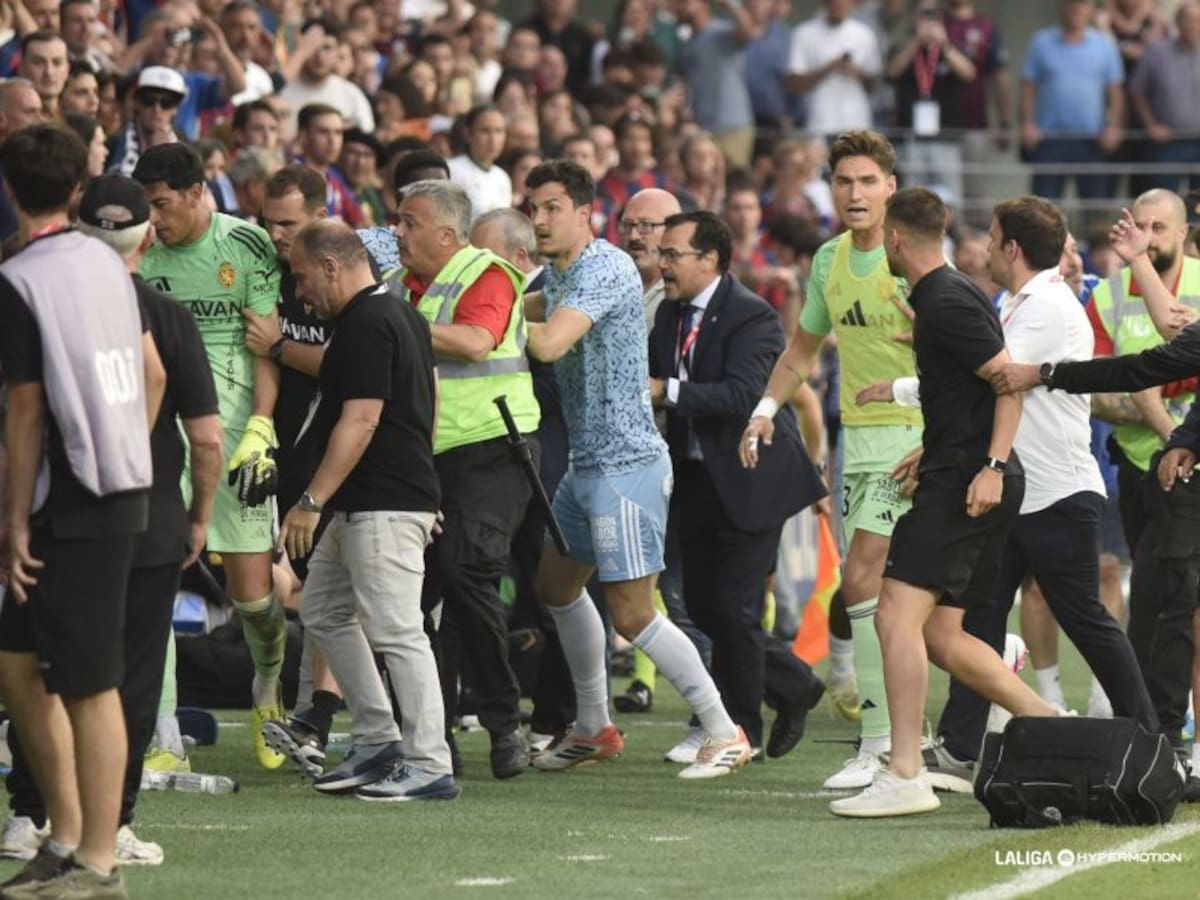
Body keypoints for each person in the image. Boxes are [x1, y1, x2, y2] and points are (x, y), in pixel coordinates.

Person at [858, 196, 1157, 791]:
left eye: (993, 239)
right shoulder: (1016, 303)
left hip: (1053, 491)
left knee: (1083, 618)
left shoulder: (1045, 306)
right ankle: (963, 744)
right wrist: (945, 445)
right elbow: (978, 384)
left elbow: (996, 377)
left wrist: (904, 389)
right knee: (974, 619)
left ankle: (1151, 737)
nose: (986, 248)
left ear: (1013, 248)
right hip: (1007, 489)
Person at [829, 187, 1058, 818]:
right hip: (959, 471)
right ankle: (1049, 727)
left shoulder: (946, 300)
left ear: (895, 239)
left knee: (893, 616)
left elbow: (1007, 386)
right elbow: (965, 393)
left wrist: (992, 466)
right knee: (941, 634)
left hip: (968, 483)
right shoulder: (943, 296)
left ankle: (904, 773)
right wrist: (932, 447)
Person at [522, 159, 752, 779]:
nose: (539, 220)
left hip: (627, 465)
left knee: (633, 613)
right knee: (555, 587)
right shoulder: (561, 272)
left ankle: (724, 731)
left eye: (551, 208)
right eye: (533, 209)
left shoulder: (605, 267)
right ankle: (594, 727)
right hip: (586, 463)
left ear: (584, 213)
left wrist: (480, 322)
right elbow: (528, 303)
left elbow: (546, 342)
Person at [0, 123, 164, 899]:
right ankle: (65, 839)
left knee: (91, 684)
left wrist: (12, 519)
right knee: (17, 664)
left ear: (8, 188)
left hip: (74, 495)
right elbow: (151, 370)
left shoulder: (20, 277)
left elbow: (25, 407)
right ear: (76, 190)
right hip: (114, 483)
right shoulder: (107, 264)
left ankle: (98, 862)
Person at [992, 211, 1200, 770]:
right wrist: (1186, 438)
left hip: (1083, 480)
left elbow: (1145, 365)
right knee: (1160, 599)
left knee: (1164, 602)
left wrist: (1045, 374)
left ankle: (1164, 742)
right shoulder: (1104, 299)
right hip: (1140, 469)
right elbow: (1159, 354)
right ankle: (1164, 744)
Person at [742, 130, 913, 791]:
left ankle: (881, 744)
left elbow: (953, 348)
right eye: (844, 181)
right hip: (856, 442)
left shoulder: (913, 255)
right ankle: (980, 671)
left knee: (866, 581)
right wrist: (765, 408)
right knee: (885, 593)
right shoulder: (828, 260)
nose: (855, 193)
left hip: (915, 437)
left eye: (868, 181)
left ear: (890, 187)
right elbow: (801, 349)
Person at [278, 220, 457, 802]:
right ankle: (379, 740)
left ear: (332, 267)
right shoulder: (400, 314)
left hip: (380, 504)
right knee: (324, 609)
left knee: (398, 630)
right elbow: (430, 400)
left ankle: (429, 762)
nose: (300, 293)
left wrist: (311, 501)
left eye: (303, 277)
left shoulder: (367, 323)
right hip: (374, 500)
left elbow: (361, 419)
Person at [132, 143, 289, 770]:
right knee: (154, 586)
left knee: (254, 602)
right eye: (145, 206)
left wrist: (262, 425)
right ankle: (164, 737)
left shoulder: (246, 246)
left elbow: (265, 348)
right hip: (161, 437)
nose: (153, 218)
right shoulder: (140, 253)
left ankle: (267, 689)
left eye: (161, 204)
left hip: (235, 439)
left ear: (197, 193)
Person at [649, 210, 827, 756]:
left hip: (753, 476)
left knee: (736, 605)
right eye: (662, 254)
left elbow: (744, 393)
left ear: (710, 259)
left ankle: (740, 727)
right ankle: (793, 684)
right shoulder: (670, 313)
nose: (662, 264)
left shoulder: (752, 315)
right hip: (696, 478)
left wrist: (666, 390)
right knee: (702, 605)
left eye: (673, 254)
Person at [389, 179, 539, 779]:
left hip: (491, 448)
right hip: (422, 457)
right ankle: (435, 733)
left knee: (463, 571)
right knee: (414, 597)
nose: (398, 232)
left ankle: (503, 722)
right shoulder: (399, 287)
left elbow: (477, 343)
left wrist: (396, 324)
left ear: (446, 235)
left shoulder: (488, 273)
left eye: (410, 222)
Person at [241, 165, 345, 774]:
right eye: (268, 221)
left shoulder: (341, 272)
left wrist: (281, 347)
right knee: (261, 593)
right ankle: (279, 692)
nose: (276, 234)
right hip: (264, 449)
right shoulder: (260, 268)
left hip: (328, 454)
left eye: (288, 222)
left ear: (319, 216)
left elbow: (348, 363)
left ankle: (318, 719)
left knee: (330, 590)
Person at [1020, 0, 1124, 202]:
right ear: (1060, 7)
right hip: (1049, 140)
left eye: (1083, 4)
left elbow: (1115, 92)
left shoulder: (1104, 45)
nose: (1077, 9)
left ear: (1091, 10)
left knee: (1095, 206)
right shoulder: (1041, 42)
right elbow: (1028, 88)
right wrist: (1027, 123)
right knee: (1043, 207)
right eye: (1072, 4)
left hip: (1093, 140)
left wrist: (1113, 126)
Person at [446, 104, 512, 221]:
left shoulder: (502, 177)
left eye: (499, 131)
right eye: (485, 131)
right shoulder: (452, 169)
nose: (493, 139)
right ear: (468, 134)